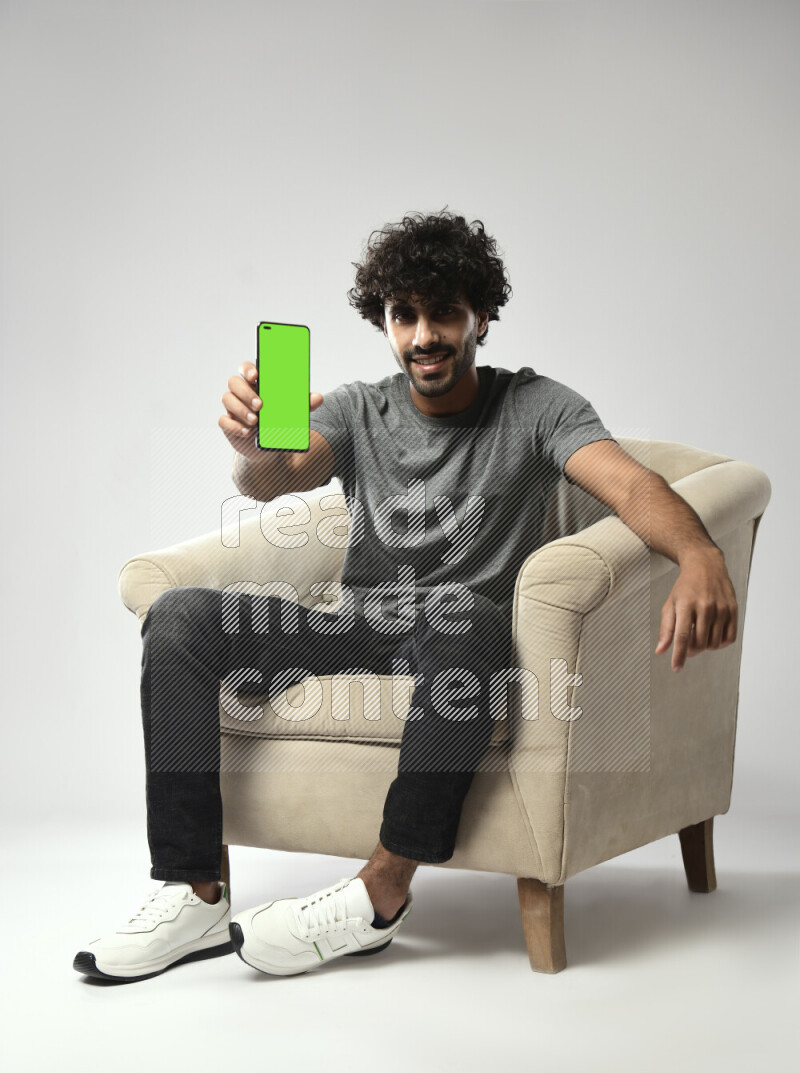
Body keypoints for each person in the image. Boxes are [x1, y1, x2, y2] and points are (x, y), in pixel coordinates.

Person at [74, 207, 738, 982]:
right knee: (180, 614)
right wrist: (251, 447)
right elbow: (276, 479)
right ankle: (192, 891)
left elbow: (627, 483)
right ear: (386, 323)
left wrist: (698, 553)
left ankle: (378, 898)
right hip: (357, 624)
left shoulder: (537, 406)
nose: (425, 334)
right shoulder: (359, 408)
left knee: (466, 618)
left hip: (462, 634)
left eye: (445, 313)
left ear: (481, 317)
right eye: (406, 315)